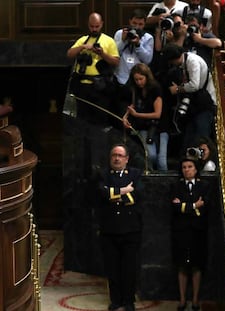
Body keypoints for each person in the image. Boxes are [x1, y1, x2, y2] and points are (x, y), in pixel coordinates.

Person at [96, 143, 143, 311]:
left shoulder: (136, 174)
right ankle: (115, 300)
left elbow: (137, 194)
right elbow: (102, 193)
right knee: (112, 267)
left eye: (120, 156)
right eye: (114, 155)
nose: (116, 158)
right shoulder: (103, 174)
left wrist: (114, 195)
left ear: (127, 159)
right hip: (109, 229)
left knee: (129, 268)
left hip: (130, 229)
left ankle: (128, 301)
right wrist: (124, 190)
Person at [170, 157, 211, 311]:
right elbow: (175, 207)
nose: (187, 169)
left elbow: (205, 205)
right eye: (184, 167)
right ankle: (182, 300)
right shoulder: (176, 186)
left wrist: (184, 207)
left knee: (196, 266)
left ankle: (195, 300)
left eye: (190, 166)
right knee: (181, 266)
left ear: (195, 169)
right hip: (181, 231)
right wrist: (194, 206)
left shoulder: (204, 186)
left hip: (198, 231)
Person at [67, 12, 120, 124]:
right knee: (82, 120)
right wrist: (82, 47)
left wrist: (102, 53)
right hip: (81, 85)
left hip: (99, 86)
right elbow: (70, 54)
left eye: (97, 26)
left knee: (100, 120)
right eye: (92, 26)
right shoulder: (83, 39)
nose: (94, 29)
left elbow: (115, 62)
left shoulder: (108, 41)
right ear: (88, 25)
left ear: (101, 24)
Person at [162, 43, 216, 152]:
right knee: (189, 138)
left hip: (205, 103)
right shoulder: (183, 64)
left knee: (201, 136)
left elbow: (194, 85)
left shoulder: (192, 61)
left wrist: (178, 89)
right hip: (193, 105)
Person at [122, 63, 169, 171]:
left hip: (160, 126)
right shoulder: (135, 89)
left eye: (141, 79)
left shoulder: (156, 88)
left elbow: (157, 114)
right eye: (136, 80)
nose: (139, 82)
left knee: (162, 160)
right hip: (143, 126)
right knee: (150, 156)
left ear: (147, 77)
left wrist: (137, 115)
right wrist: (125, 117)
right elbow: (132, 106)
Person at [114, 9, 154, 86]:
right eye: (134, 23)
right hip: (120, 77)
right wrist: (123, 41)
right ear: (130, 21)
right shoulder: (120, 33)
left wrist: (138, 45)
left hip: (138, 81)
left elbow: (147, 60)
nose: (137, 27)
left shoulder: (148, 38)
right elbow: (114, 54)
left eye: (140, 24)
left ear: (144, 24)